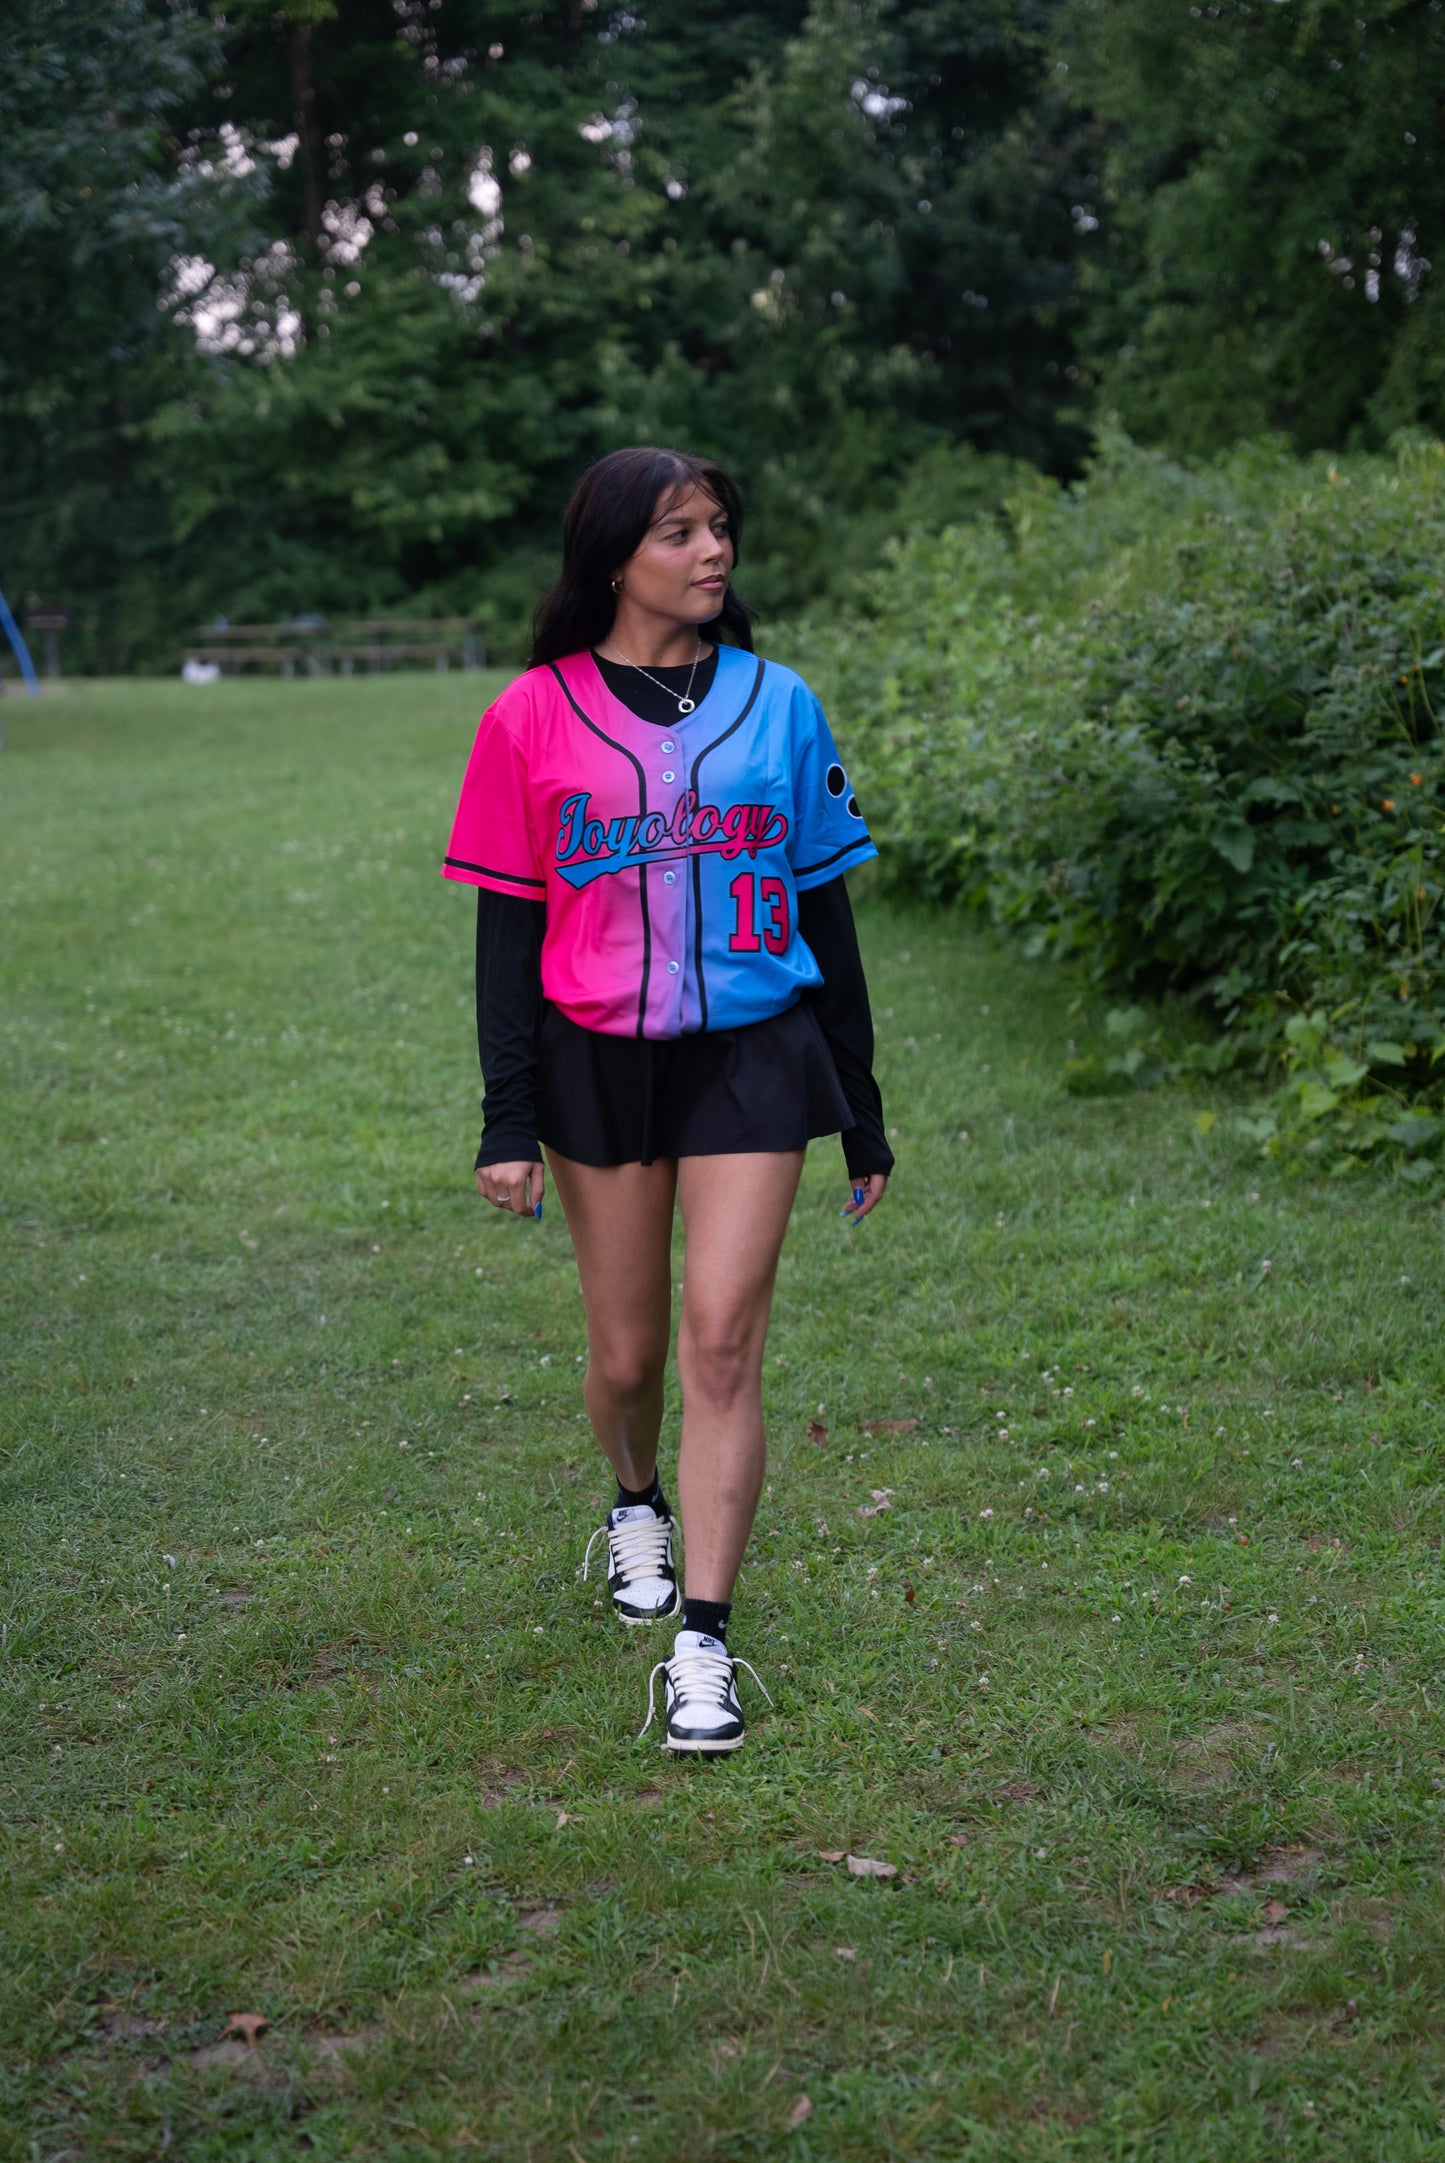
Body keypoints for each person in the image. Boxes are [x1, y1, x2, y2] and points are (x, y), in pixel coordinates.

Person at [442, 445, 892, 1754]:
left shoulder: (779, 702)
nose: (713, 552)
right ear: (612, 559)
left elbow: (826, 910)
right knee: (630, 1356)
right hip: (597, 1056)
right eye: (679, 532)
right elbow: (507, 939)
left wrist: (859, 1104)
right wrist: (506, 1118)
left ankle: (704, 1641)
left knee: (721, 1345)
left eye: (718, 527)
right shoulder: (529, 716)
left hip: (754, 1054)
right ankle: (634, 1495)